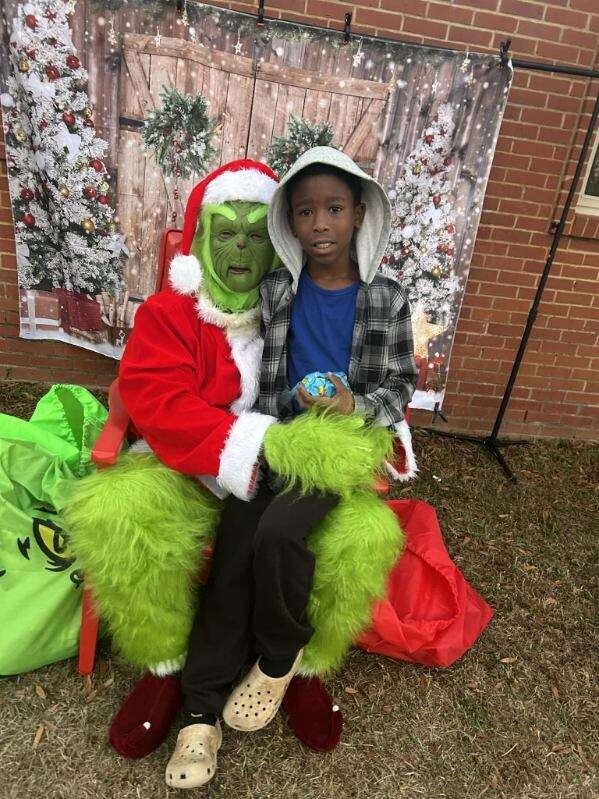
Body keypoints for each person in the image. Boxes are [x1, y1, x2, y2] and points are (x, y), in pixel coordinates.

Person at [164, 147, 418, 789]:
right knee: (236, 540)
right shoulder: (279, 289)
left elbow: (400, 385)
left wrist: (352, 404)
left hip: (342, 446)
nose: (320, 224)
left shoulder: (387, 298)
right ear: (291, 223)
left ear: (359, 215)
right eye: (305, 212)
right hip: (278, 435)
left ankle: (280, 654)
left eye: (334, 209)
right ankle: (199, 711)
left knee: (280, 532)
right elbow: (234, 338)